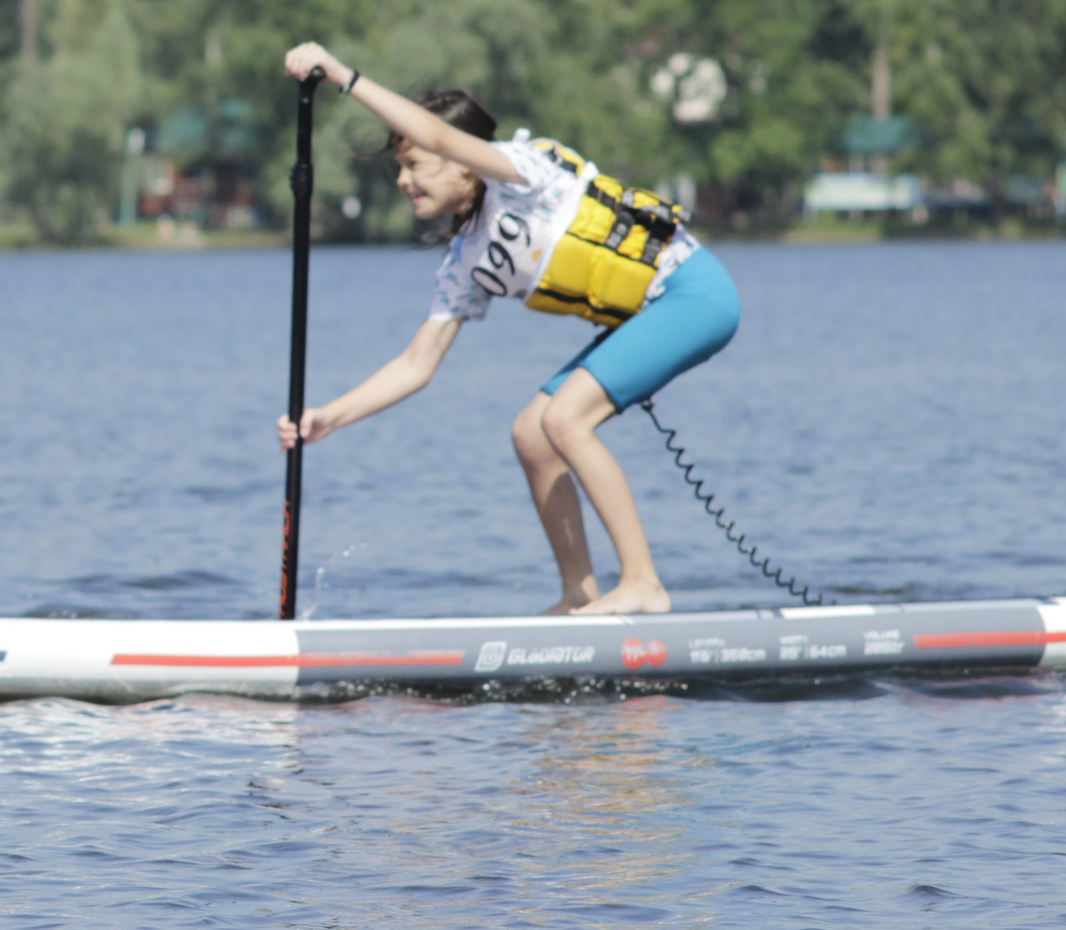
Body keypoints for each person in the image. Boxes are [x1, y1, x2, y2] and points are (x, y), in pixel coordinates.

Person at [275, 42, 741, 616]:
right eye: (399, 168)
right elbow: (416, 365)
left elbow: (441, 134)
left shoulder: (523, 174)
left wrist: (344, 78)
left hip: (695, 295)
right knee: (531, 432)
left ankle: (643, 583)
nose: (402, 180)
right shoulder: (464, 260)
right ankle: (578, 594)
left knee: (564, 419)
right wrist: (327, 417)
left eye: (414, 164)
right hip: (653, 313)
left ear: (464, 160)